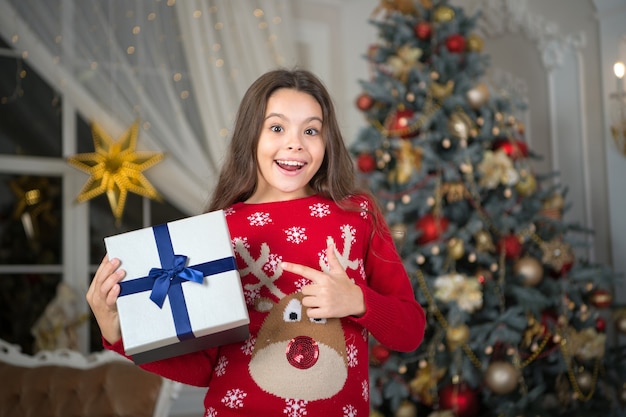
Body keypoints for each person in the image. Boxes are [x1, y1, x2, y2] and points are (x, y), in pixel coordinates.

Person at [87, 68, 426, 416]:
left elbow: (411, 331)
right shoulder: (219, 230)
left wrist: (357, 299)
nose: (295, 143)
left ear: (327, 142)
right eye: (277, 127)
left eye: (311, 130)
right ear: (252, 136)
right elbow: (205, 368)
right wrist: (118, 334)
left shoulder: (358, 215)